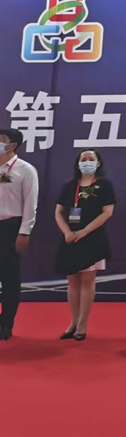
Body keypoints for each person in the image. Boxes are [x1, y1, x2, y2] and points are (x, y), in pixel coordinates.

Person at [54, 149, 116, 341]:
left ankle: (82, 323)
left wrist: (85, 231)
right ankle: (73, 321)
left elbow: (107, 212)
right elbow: (58, 212)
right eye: (83, 159)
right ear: (78, 163)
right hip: (71, 238)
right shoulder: (69, 186)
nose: (87, 162)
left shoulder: (104, 185)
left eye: (91, 159)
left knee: (87, 282)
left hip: (92, 238)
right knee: (72, 282)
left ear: (98, 163)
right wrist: (67, 232)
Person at [0, 128, 39, 341]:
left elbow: (30, 204)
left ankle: (6, 323)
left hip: (10, 227)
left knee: (9, 277)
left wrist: (24, 232)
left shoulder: (25, 170)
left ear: (12, 145)